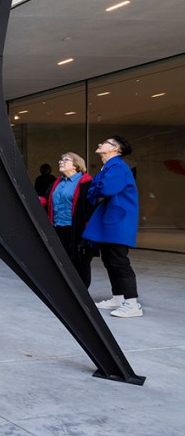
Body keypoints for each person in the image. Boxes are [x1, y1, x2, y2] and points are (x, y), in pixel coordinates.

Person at [83, 136, 142, 317]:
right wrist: (95, 188)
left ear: (116, 149)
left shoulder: (118, 167)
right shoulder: (110, 167)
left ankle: (132, 303)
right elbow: (95, 188)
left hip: (118, 221)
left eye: (106, 142)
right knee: (110, 261)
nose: (100, 143)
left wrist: (95, 188)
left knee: (119, 261)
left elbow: (103, 189)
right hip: (111, 220)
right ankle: (118, 297)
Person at [46, 152, 95, 286]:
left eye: (66, 160)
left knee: (80, 261)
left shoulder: (86, 182)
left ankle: (81, 291)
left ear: (76, 165)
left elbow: (91, 207)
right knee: (61, 259)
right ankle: (66, 288)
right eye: (60, 160)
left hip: (78, 228)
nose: (61, 162)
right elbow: (47, 201)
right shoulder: (57, 182)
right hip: (58, 227)